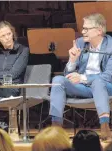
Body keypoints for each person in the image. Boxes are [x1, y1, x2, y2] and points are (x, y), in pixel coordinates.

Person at [49, 13, 112, 141]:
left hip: (104, 86)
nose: (82, 32)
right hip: (83, 87)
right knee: (58, 81)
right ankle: (56, 129)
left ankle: (105, 126)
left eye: (86, 29)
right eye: (83, 28)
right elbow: (68, 75)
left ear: (99, 31)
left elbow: (108, 76)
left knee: (98, 82)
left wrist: (82, 78)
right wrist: (72, 61)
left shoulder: (110, 46)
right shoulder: (80, 43)